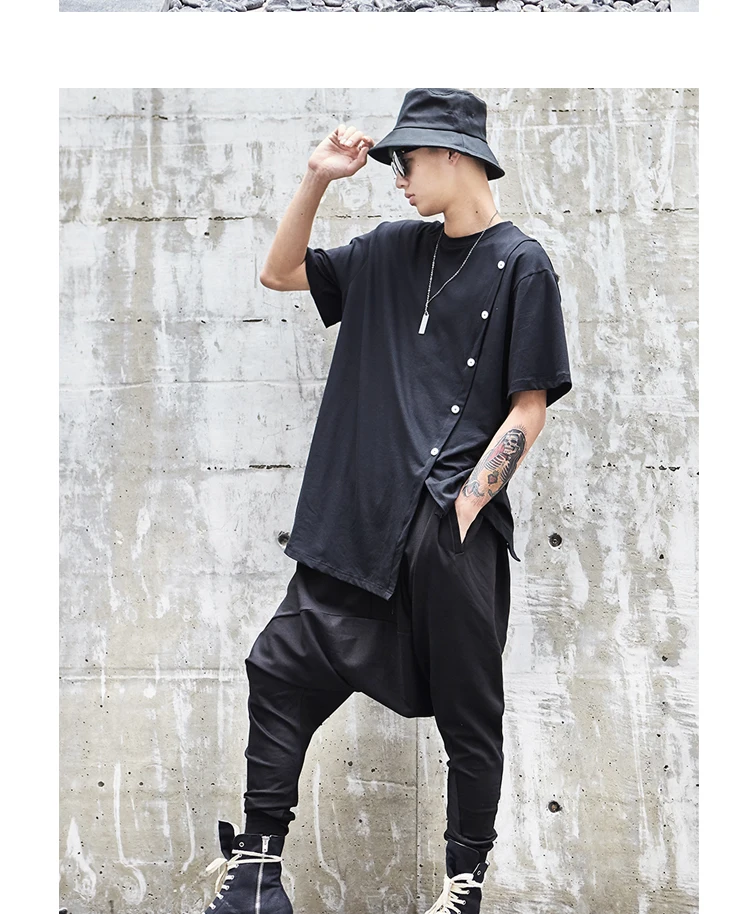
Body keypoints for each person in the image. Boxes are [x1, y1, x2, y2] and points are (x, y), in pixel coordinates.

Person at [198, 88, 573, 914]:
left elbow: (529, 406)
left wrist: (466, 507)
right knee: (280, 668)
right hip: (357, 522)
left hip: (447, 533)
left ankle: (463, 887)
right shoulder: (390, 250)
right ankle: (257, 874)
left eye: (409, 159)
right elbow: (279, 272)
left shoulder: (523, 264)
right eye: (392, 159)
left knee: (469, 715)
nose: (397, 174)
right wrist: (317, 178)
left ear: (456, 155)